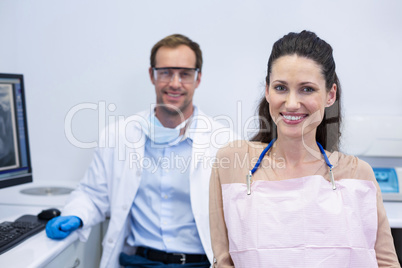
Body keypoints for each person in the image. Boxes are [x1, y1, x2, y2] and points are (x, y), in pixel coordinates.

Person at [209, 30, 400, 267]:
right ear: (267, 90)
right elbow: (223, 261)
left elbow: (386, 264)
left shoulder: (357, 174)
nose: (291, 103)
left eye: (307, 89)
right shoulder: (233, 164)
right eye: (281, 88)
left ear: (330, 95)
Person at [46, 34, 235, 268]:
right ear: (152, 75)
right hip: (137, 262)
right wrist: (76, 215)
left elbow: (241, 213)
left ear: (198, 79)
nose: (175, 83)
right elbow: (94, 194)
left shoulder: (225, 142)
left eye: (185, 74)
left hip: (201, 264)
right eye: (165, 72)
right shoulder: (119, 136)